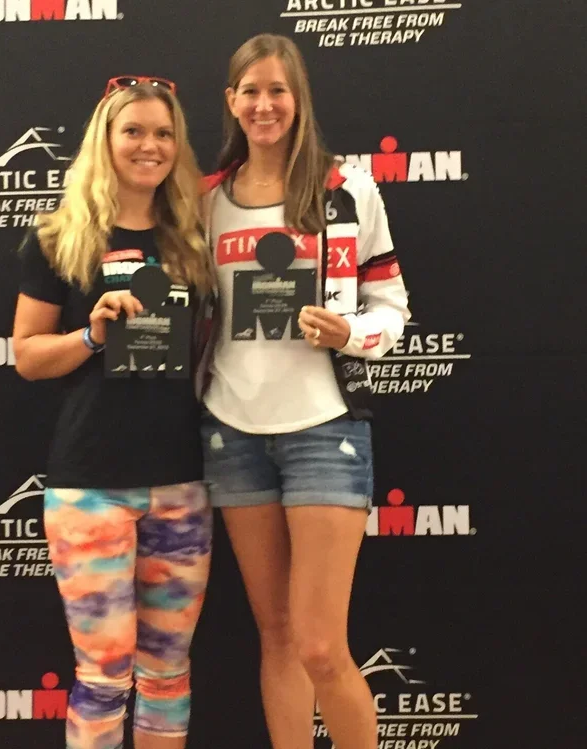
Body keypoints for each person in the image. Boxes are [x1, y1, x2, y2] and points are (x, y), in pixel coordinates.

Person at [199, 35, 411, 749]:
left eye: (277, 91)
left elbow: (392, 307)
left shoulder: (347, 190)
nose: (264, 105)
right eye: (250, 91)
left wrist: (350, 333)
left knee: (322, 646)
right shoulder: (206, 199)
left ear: (299, 99)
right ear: (231, 102)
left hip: (325, 428)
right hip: (232, 430)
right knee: (279, 636)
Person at [12, 76, 214, 749]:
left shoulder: (193, 237)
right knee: (102, 676)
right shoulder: (59, 238)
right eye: (133, 131)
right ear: (106, 139)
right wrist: (92, 335)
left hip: (181, 483)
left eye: (163, 133)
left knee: (167, 675)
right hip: (90, 485)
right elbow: (27, 355)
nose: (149, 145)